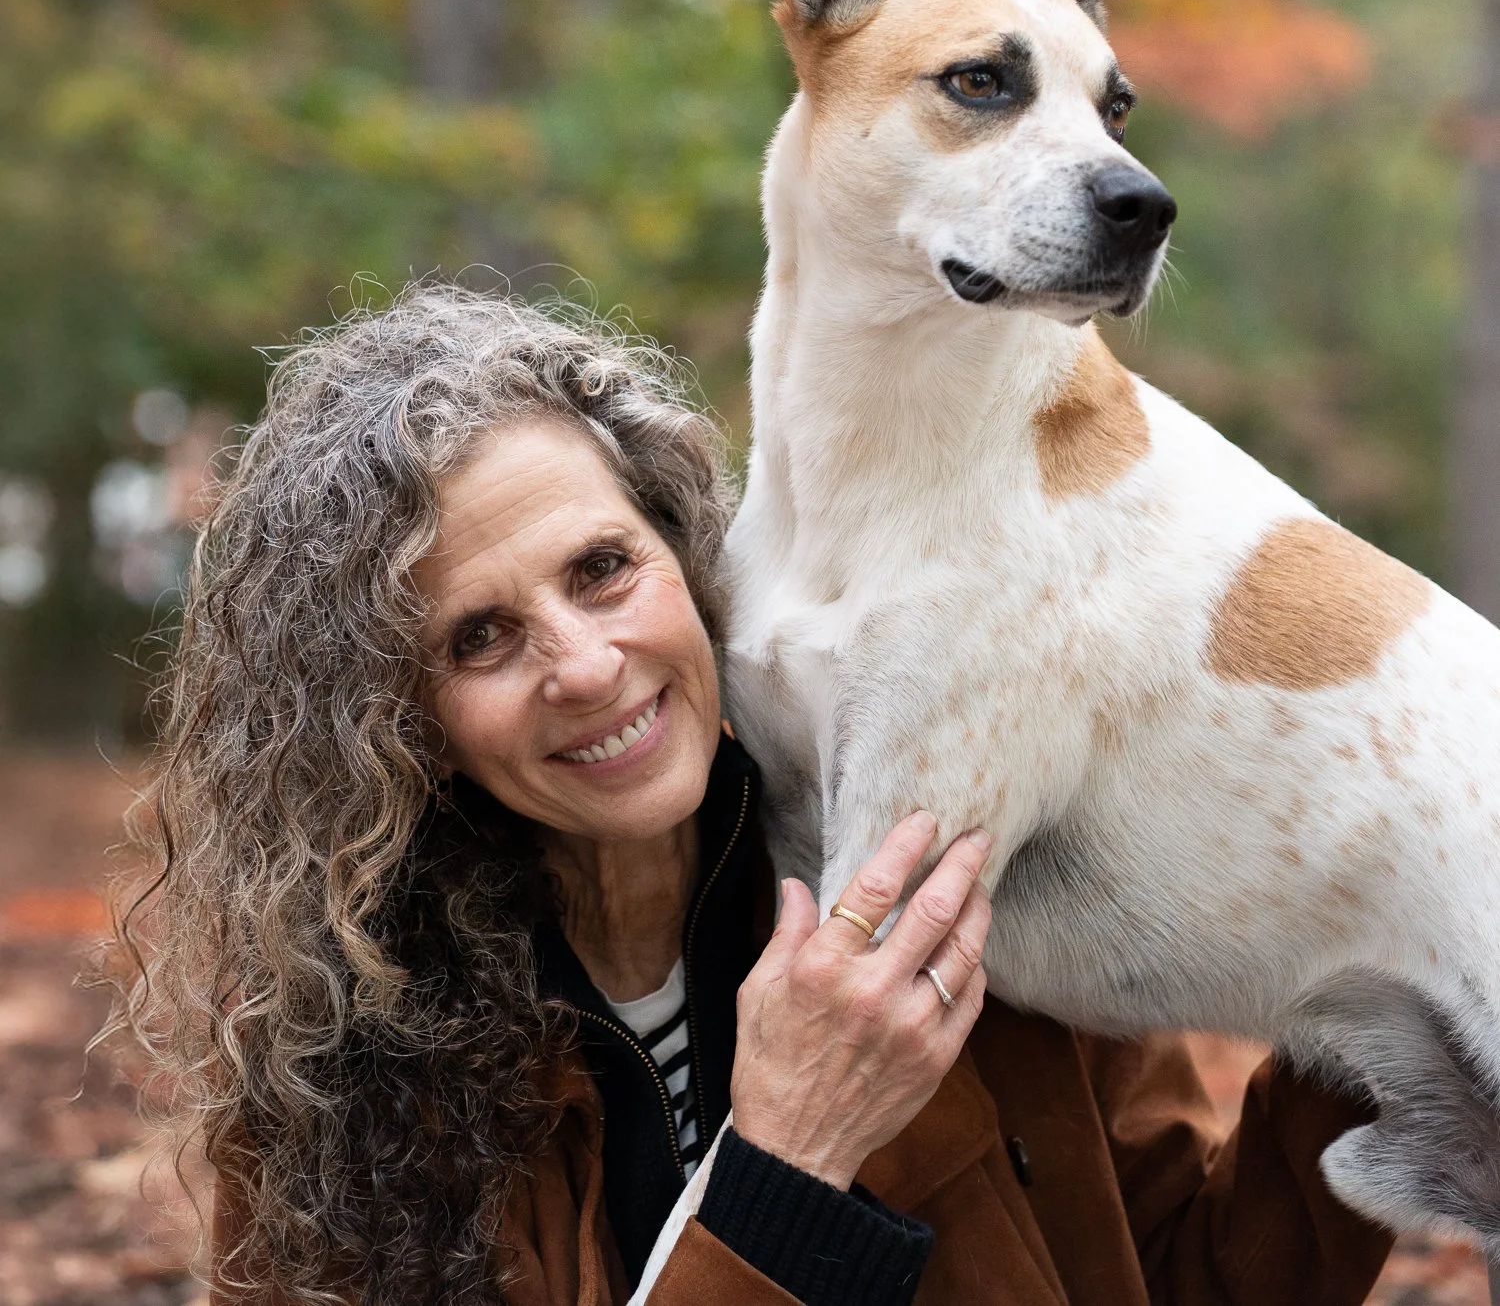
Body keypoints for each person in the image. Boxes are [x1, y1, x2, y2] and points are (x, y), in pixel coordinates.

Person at [115, 285, 1394, 1306]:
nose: (584, 665)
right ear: (398, 722)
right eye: (478, 639)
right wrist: (785, 1160)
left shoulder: (936, 863)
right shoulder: (341, 1068)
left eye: (605, 568)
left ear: (690, 555)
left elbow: (1194, 1277)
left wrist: (1397, 994)